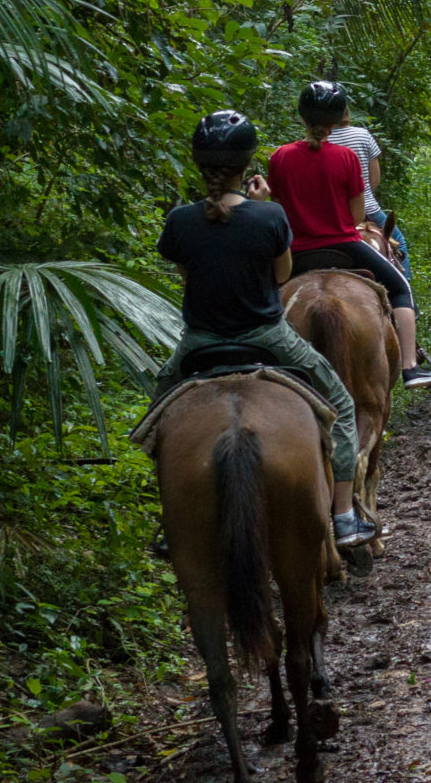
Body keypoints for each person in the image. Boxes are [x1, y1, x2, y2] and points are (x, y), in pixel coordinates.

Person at [153, 109, 376, 549]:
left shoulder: (180, 220)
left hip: (200, 341)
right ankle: (346, 515)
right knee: (343, 406)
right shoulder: (270, 216)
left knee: (159, 410)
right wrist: (260, 206)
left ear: (200, 164)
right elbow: (280, 276)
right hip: (268, 337)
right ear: (247, 164)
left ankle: (169, 516)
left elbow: (187, 273)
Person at [269, 81, 431, 389]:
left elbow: (278, 212)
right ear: (337, 119)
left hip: (295, 252)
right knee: (401, 287)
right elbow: (354, 216)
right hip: (344, 245)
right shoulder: (346, 157)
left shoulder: (280, 157)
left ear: (301, 116)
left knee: (261, 300)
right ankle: (410, 367)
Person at [326, 103, 409, 271]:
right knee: (399, 242)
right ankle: (405, 286)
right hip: (367, 209)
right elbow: (374, 179)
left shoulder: (318, 141)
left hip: (332, 215)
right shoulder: (363, 135)